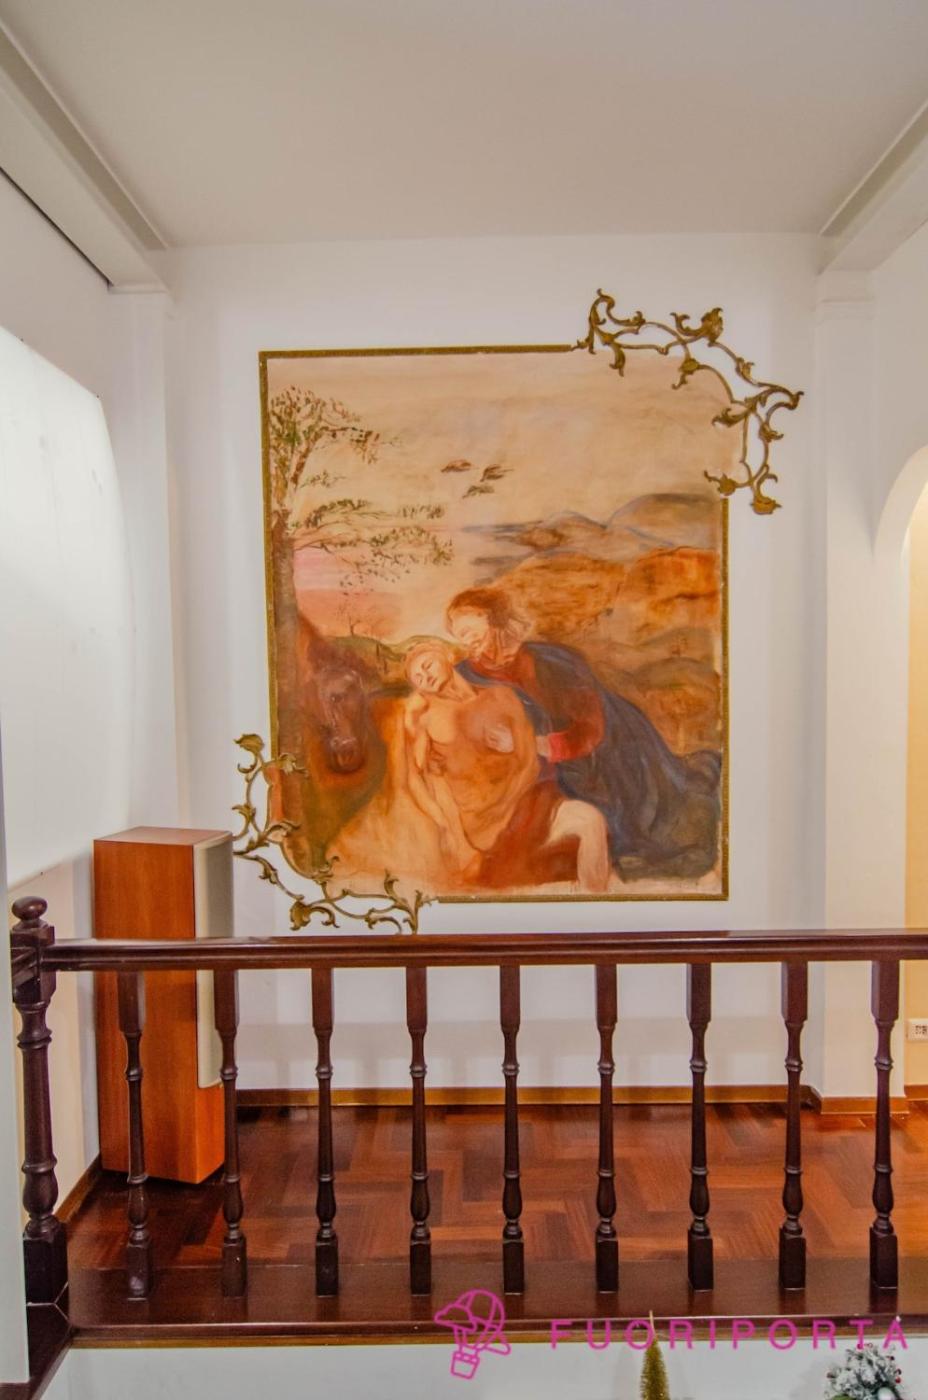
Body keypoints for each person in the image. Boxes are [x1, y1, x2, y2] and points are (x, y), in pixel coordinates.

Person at [445, 588, 721, 879]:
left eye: (472, 628)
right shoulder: (464, 675)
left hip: (607, 749)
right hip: (532, 766)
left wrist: (530, 744)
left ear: (497, 622)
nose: (466, 638)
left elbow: (589, 731)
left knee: (654, 825)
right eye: (459, 632)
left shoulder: (556, 662)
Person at [403, 641, 610, 891]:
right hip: (484, 824)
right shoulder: (425, 718)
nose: (425, 676)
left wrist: (514, 744)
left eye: (427, 665)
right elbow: (422, 781)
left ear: (446, 655)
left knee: (591, 822)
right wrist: (453, 834)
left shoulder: (501, 695)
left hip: (527, 798)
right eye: (418, 678)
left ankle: (595, 907)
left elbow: (528, 754)